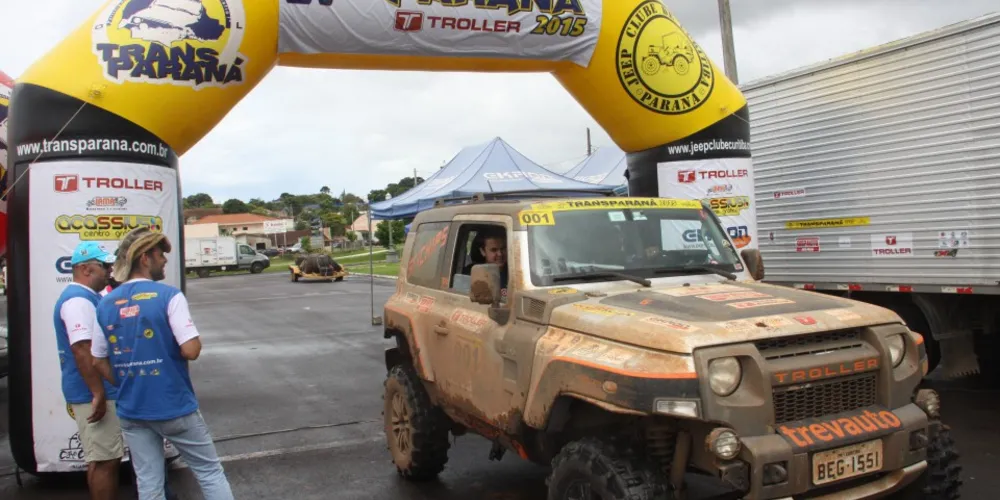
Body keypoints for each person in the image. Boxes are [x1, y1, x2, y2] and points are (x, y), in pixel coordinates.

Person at [91, 229, 234, 500]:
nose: (165, 260)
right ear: (145, 258)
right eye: (161, 255)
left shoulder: (105, 303)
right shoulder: (169, 296)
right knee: (209, 472)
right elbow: (191, 350)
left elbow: (97, 358)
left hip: (132, 410)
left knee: (149, 481)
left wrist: (125, 382)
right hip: (173, 405)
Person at [53, 241, 123, 500]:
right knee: (105, 461)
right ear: (85, 269)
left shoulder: (89, 297)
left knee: (103, 458)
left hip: (95, 390)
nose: (109, 270)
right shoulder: (77, 301)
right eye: (104, 265)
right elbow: (83, 349)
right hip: (92, 392)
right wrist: (98, 393)